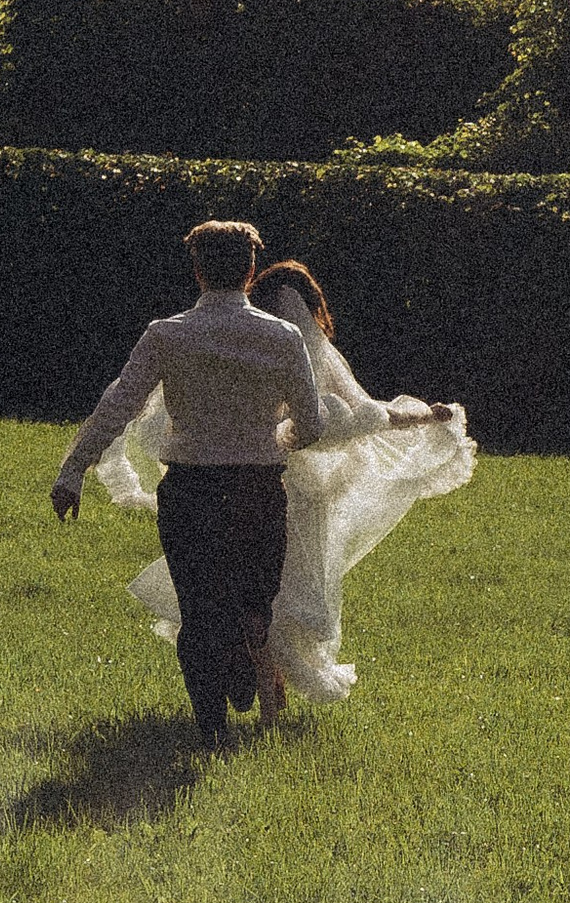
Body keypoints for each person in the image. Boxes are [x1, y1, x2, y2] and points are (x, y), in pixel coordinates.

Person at [85, 250, 472, 711]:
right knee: (273, 598)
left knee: (241, 593)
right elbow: (363, 415)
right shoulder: (285, 344)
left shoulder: (235, 338)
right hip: (285, 486)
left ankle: (254, 686)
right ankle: (267, 692)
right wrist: (425, 414)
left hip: (240, 479)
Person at [51, 217, 325, 743]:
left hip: (193, 491)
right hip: (257, 488)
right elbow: (310, 424)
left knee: (199, 609)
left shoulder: (167, 335)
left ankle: (211, 728)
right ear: (251, 272)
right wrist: (271, 442)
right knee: (254, 601)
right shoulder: (283, 336)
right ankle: (247, 660)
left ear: (197, 271)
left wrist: (72, 472)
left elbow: (116, 408)